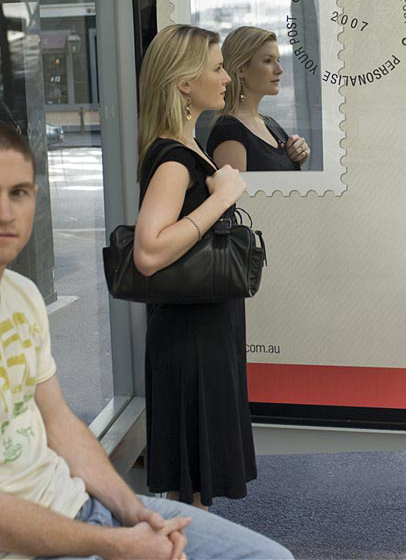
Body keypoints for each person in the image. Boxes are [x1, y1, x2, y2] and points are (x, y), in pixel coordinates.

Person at [0, 121, 293, 559]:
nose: (6, 213)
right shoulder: (174, 157)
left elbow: (59, 423)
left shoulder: (22, 296)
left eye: (19, 193)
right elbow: (149, 253)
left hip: (81, 509)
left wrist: (133, 512)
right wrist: (116, 543)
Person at [134, 25, 258, 510]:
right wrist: (221, 199)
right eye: (217, 68)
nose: (226, 78)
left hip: (202, 327)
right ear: (185, 82)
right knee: (192, 487)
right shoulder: (174, 159)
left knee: (197, 484)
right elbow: (149, 252)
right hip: (191, 337)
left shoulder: (186, 149)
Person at [207, 26, 311, 171]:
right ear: (241, 69)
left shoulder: (271, 124)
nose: (279, 69)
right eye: (268, 61)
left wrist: (299, 156)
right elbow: (234, 186)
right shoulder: (229, 130)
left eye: (278, 60)